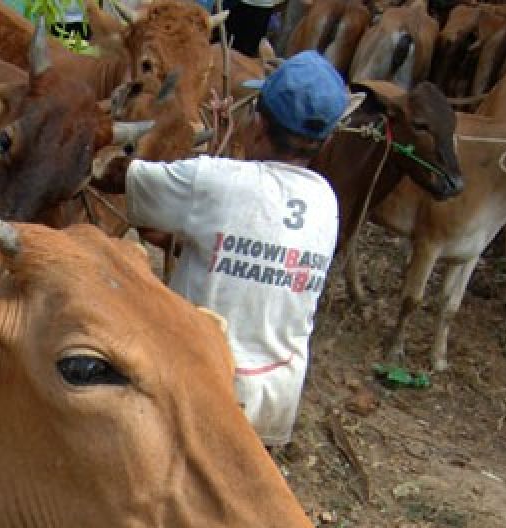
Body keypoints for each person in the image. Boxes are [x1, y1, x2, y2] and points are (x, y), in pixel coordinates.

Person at [95, 51, 353, 452]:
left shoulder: (214, 180)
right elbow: (234, 244)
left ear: (259, 123)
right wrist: (220, 150)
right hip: (273, 401)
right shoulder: (326, 201)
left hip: (199, 391)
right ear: (327, 140)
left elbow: (114, 176)